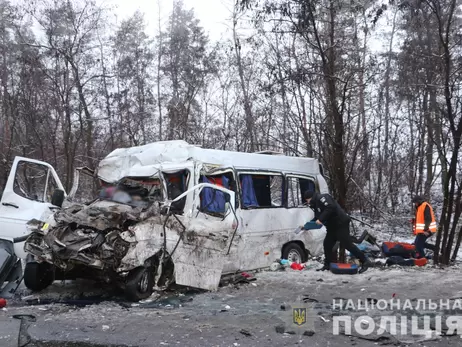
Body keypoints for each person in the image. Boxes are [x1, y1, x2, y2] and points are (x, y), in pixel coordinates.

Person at [303, 190, 372, 273]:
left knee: (347, 244)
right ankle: (327, 264)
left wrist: (321, 219)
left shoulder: (322, 198)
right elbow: (318, 217)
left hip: (340, 223)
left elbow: (330, 207)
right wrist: (308, 225)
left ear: (310, 198)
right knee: (327, 243)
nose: (307, 202)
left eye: (307, 200)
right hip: (332, 226)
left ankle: (365, 261)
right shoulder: (316, 205)